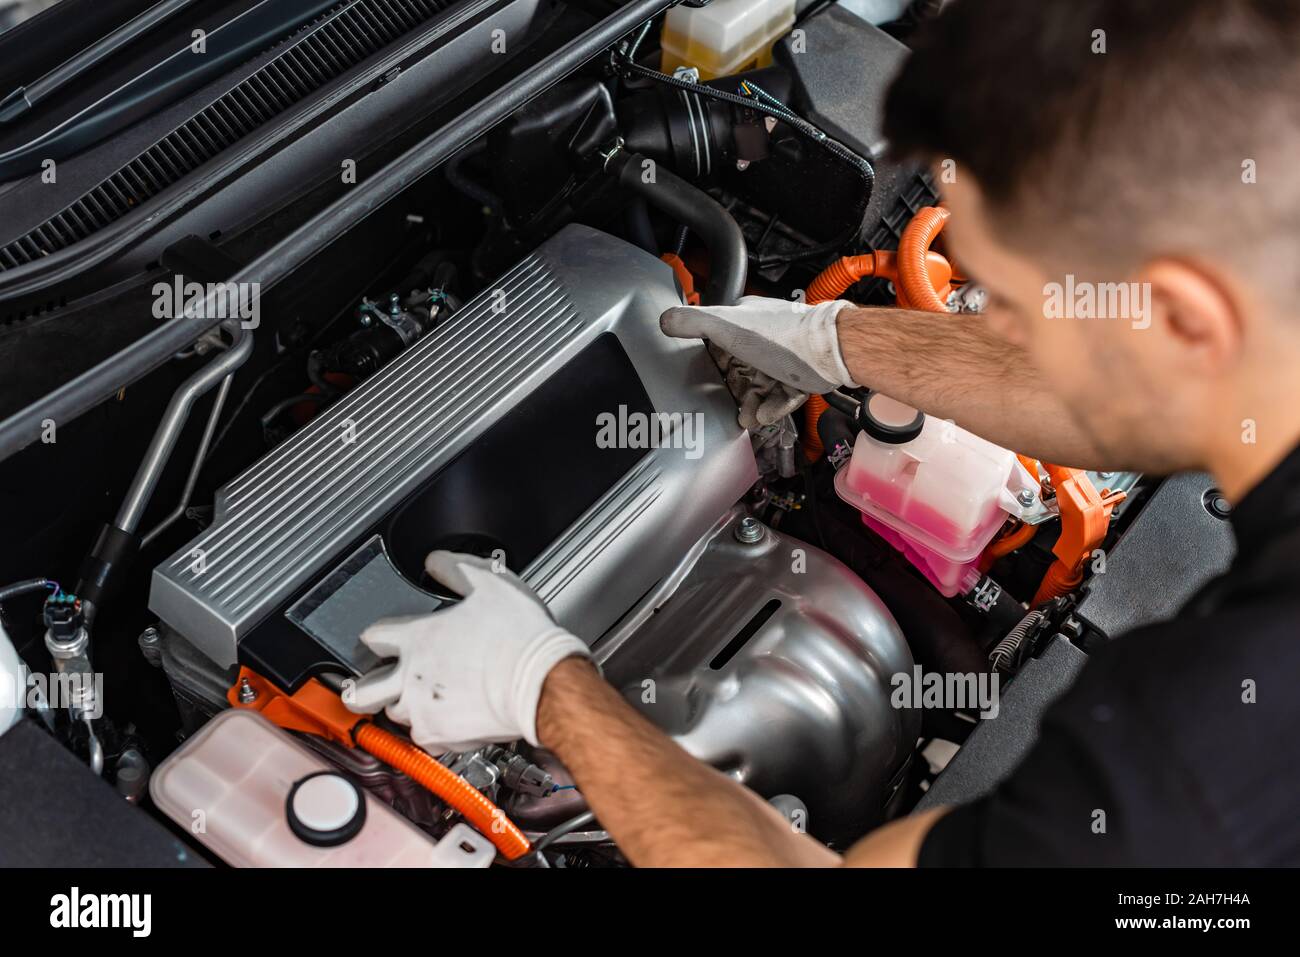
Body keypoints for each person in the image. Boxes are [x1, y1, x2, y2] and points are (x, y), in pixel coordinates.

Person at [347, 0, 1300, 865]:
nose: (991, 324)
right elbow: (1121, 382)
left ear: (1184, 318)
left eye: (1011, 303)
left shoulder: (1205, 764)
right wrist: (836, 338)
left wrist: (547, 690)